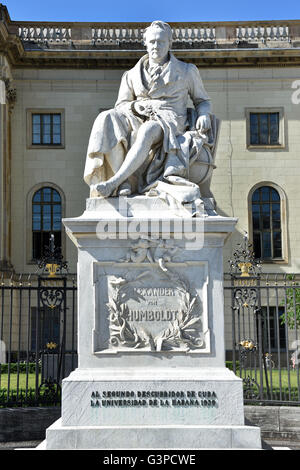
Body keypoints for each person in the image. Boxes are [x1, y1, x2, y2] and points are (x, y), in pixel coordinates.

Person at [84, 21, 215, 204]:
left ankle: (115, 181)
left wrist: (203, 114)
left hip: (171, 119)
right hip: (138, 116)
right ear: (145, 43)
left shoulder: (187, 71)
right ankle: (125, 184)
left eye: (161, 42)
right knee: (105, 118)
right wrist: (135, 107)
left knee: (149, 130)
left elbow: (203, 101)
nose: (156, 46)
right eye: (152, 41)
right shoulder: (131, 75)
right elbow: (121, 104)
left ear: (170, 43)